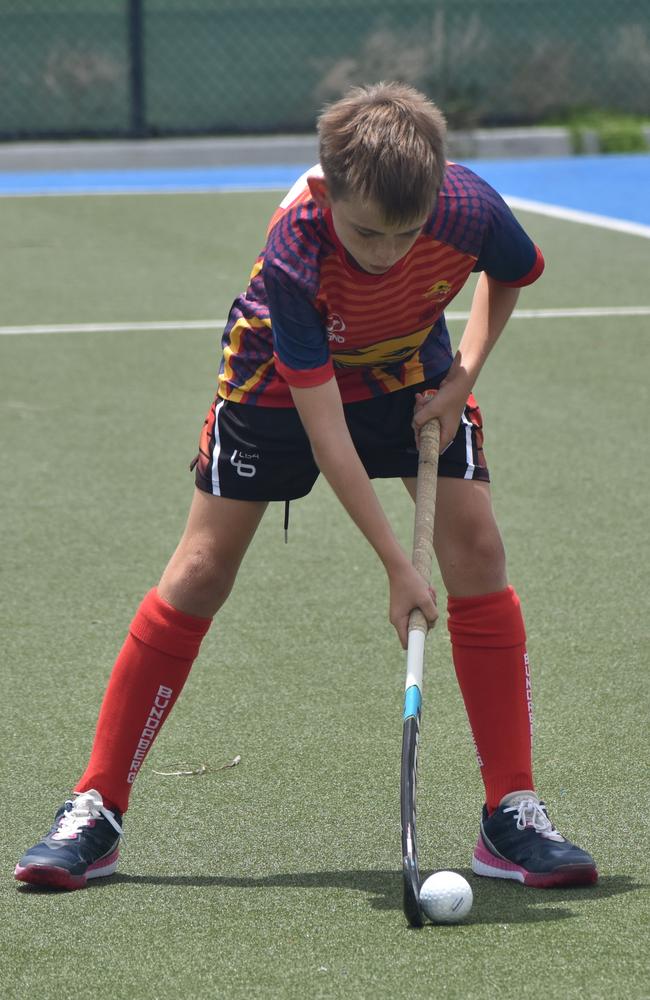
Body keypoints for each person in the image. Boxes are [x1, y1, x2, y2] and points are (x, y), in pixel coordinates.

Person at [15, 82, 597, 892]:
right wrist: (398, 564)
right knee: (200, 571)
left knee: (478, 546)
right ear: (326, 194)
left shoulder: (467, 206)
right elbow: (329, 437)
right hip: (280, 385)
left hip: (406, 364)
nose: (387, 251)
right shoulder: (297, 247)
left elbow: (511, 275)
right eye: (366, 231)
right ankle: (97, 808)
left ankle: (512, 813)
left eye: (408, 233)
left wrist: (462, 374)